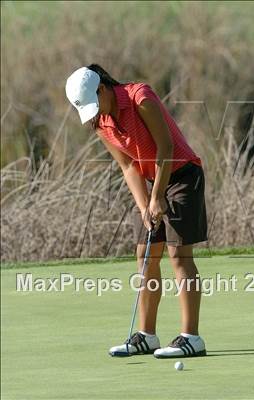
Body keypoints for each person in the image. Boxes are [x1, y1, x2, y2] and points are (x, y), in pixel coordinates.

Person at [65, 64, 208, 358]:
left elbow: (165, 147)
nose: (95, 113)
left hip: (182, 174)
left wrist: (157, 197)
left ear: (102, 89)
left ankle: (191, 337)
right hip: (155, 181)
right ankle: (146, 336)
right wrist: (145, 205)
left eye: (95, 103)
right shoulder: (101, 122)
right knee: (145, 255)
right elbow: (128, 165)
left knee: (179, 255)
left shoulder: (139, 97)